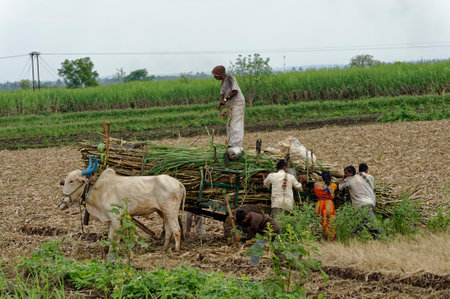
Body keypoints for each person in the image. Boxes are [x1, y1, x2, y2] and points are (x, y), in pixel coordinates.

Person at [211, 65, 245, 166]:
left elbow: (235, 91)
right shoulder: (222, 83)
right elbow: (222, 95)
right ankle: (231, 146)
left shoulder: (230, 79)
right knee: (229, 125)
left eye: (215, 75)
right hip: (231, 106)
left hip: (238, 103)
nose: (214, 77)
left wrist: (225, 100)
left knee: (236, 125)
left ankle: (236, 146)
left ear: (219, 74)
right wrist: (221, 103)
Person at [339, 165, 386, 238]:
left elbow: (340, 187)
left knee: (372, 222)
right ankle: (359, 238)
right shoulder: (361, 176)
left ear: (351, 173)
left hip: (362, 205)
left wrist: (343, 179)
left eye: (346, 173)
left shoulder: (349, 180)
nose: (345, 174)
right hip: (371, 202)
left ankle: (383, 237)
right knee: (363, 223)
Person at [313, 171, 337, 240]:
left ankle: (323, 238)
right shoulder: (333, 185)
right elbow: (332, 196)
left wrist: (318, 179)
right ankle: (331, 239)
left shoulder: (316, 184)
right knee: (331, 223)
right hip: (329, 205)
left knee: (321, 222)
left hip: (319, 205)